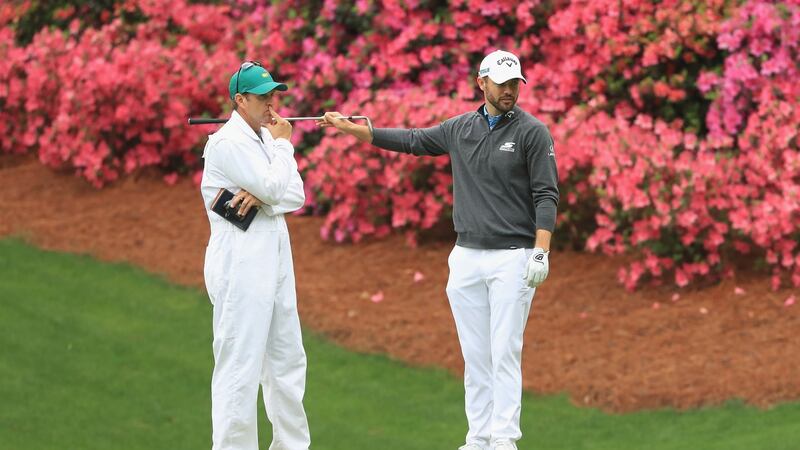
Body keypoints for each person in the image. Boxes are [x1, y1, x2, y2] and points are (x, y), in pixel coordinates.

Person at [318, 50, 559, 450]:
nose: (510, 92)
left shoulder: (533, 132)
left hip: (513, 257)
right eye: (502, 84)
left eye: (515, 84)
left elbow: (546, 193)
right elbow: (413, 140)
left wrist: (541, 250)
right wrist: (352, 130)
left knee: (504, 350)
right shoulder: (460, 128)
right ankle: (478, 438)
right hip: (465, 255)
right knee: (475, 354)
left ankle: (504, 439)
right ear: (481, 83)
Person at [200, 61, 310, 450]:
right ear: (240, 100)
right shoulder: (228, 142)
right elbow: (274, 186)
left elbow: (294, 194)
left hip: (275, 258)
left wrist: (266, 195)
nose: (270, 103)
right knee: (240, 365)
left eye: (272, 95)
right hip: (240, 262)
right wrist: (283, 148)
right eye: (262, 97)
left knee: (287, 359)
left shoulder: (263, 138)